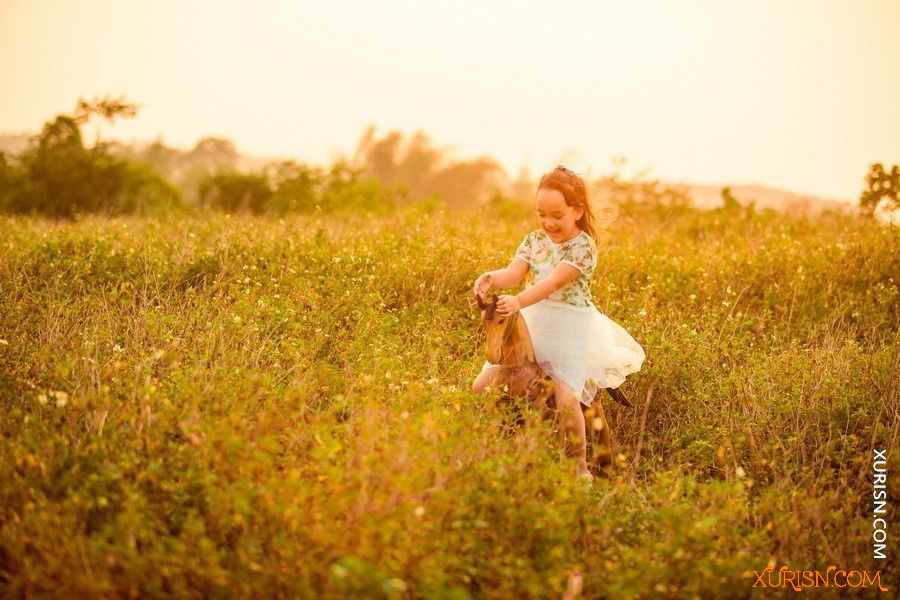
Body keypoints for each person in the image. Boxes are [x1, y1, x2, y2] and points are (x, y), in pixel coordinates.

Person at [471, 165, 646, 483]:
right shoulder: (534, 241)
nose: (548, 223)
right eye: (541, 214)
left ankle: (580, 468)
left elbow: (552, 283)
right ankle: (498, 452)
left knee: (566, 398)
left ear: (577, 210)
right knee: (483, 384)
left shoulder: (583, 247)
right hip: (534, 320)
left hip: (571, 326)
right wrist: (491, 278)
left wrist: (519, 302)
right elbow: (513, 274)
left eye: (557, 215)